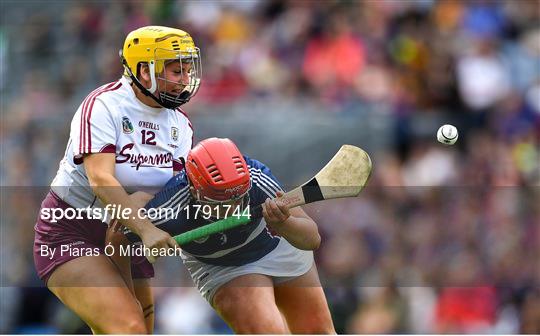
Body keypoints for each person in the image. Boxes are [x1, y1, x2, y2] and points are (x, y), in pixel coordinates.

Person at [33, 25, 201, 334]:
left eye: (187, 70)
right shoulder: (103, 106)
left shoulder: (181, 125)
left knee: (140, 329)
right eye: (176, 71)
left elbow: (174, 192)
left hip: (127, 237)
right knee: (129, 327)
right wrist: (147, 228)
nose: (184, 80)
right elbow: (100, 178)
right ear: (144, 71)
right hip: (72, 231)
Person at [123, 137, 336, 333]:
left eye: (239, 199)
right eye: (222, 204)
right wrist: (146, 234)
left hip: (273, 244)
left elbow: (312, 239)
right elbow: (118, 240)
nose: (234, 209)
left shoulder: (257, 178)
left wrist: (283, 224)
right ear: (196, 192)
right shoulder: (169, 205)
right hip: (220, 267)